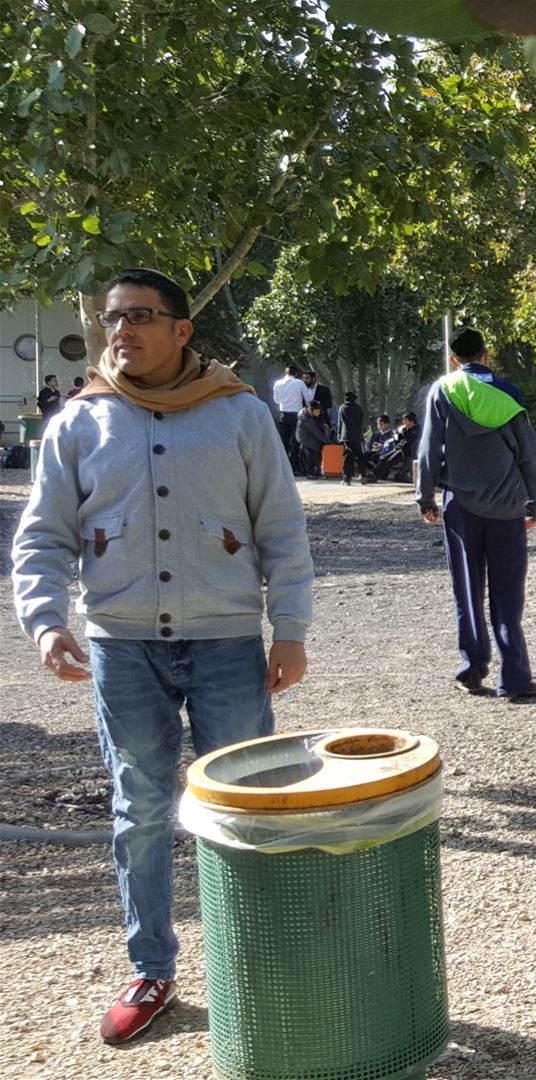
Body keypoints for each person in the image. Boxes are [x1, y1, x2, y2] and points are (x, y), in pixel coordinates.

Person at [11, 267, 312, 1045]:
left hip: (225, 644)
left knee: (247, 803)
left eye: (142, 316)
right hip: (123, 648)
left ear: (183, 331)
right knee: (139, 810)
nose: (123, 331)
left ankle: (266, 960)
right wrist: (46, 622)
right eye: (114, 319)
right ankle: (152, 969)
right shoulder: (80, 422)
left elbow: (281, 527)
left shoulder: (239, 413)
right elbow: (43, 536)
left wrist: (291, 628)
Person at [415, 328, 536, 699]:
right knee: (508, 594)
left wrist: (426, 496)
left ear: (454, 359)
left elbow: (429, 448)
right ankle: (516, 677)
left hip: (461, 506)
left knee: (468, 589)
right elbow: (528, 454)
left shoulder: (443, 391)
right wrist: (534, 501)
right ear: (486, 355)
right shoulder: (509, 394)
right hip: (507, 507)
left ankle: (472, 668)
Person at [270, 365, 310, 467]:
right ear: (296, 374)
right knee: (296, 441)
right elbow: (308, 399)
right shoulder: (299, 383)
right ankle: (295, 466)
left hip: (283, 414)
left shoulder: (277, 383)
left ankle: (283, 465)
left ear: (286, 373)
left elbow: (276, 400)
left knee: (284, 441)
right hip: (296, 414)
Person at [369, 413, 418, 482]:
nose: (404, 422)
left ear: (412, 421)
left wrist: (403, 431)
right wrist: (398, 432)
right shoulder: (405, 429)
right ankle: (374, 475)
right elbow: (396, 438)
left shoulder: (417, 429)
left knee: (390, 459)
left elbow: (410, 439)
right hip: (398, 449)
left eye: (406, 421)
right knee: (384, 458)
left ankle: (378, 475)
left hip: (409, 453)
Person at [338, 391, 366, 484]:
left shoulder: (342, 408)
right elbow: (361, 421)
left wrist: (339, 436)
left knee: (348, 456)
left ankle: (347, 477)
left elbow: (340, 423)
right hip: (358, 436)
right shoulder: (359, 408)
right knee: (360, 456)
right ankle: (362, 475)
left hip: (346, 436)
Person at [295, 402, 329, 479]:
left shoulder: (310, 415)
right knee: (313, 451)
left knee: (318, 449)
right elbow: (316, 432)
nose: (317, 414)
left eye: (318, 412)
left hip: (311, 435)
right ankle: (310, 472)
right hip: (304, 437)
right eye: (315, 412)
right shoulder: (306, 419)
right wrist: (328, 442)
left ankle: (317, 471)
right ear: (310, 411)